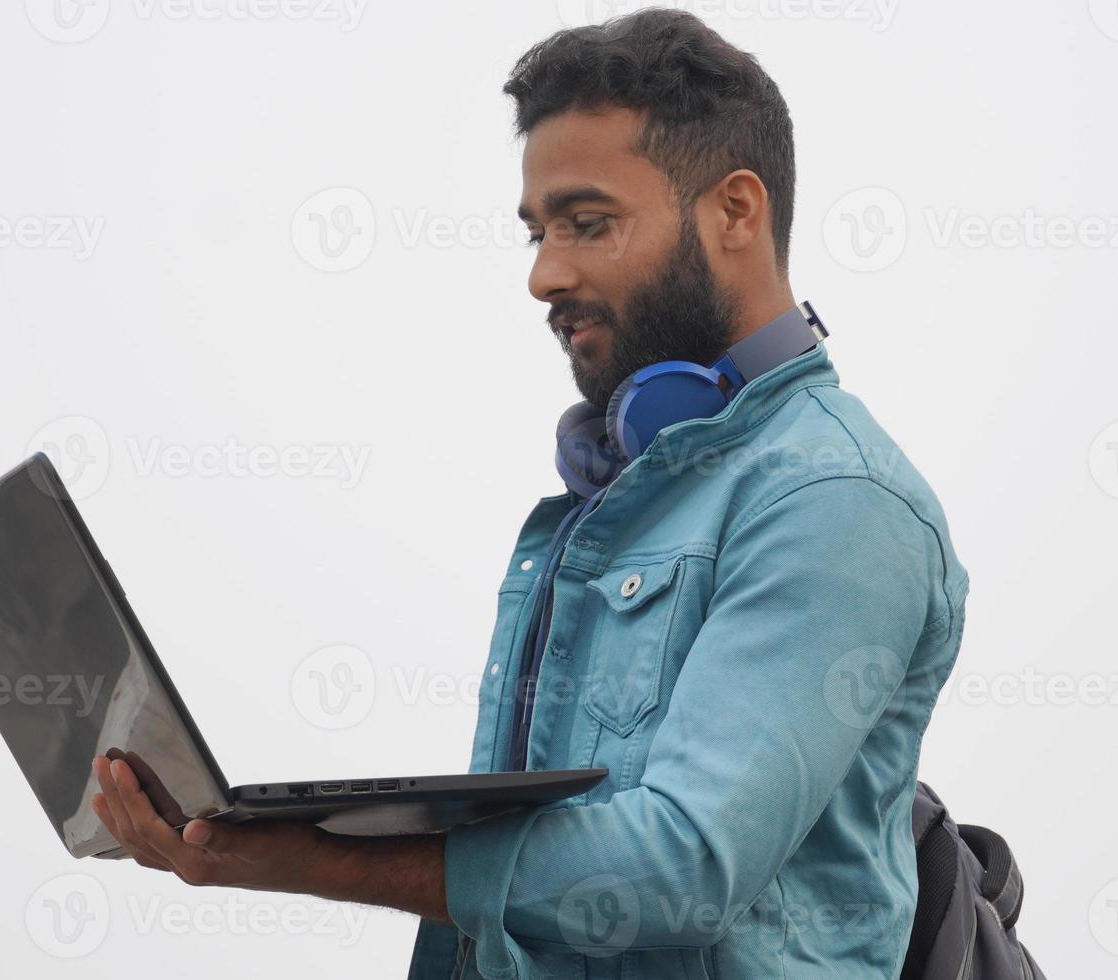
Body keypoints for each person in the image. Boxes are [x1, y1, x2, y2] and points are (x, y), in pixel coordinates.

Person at [89, 10, 969, 979]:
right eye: (537, 230)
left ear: (733, 211)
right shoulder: (618, 496)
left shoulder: (831, 497)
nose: (544, 273)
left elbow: (680, 866)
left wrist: (314, 856)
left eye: (587, 222)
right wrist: (260, 823)